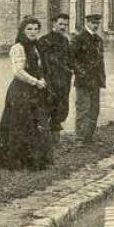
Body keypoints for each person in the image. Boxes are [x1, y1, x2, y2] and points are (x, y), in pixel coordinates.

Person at [0, 17, 54, 171]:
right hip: (21, 91)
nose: (33, 32)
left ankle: (35, 162)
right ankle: (17, 163)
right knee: (20, 124)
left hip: (36, 90)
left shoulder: (37, 46)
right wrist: (36, 82)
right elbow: (18, 71)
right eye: (29, 29)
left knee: (36, 123)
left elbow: (42, 67)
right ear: (22, 31)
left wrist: (43, 79)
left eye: (35, 29)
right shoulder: (18, 47)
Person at [38, 12, 73, 145]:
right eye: (61, 24)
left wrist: (70, 71)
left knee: (61, 107)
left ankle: (55, 138)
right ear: (53, 24)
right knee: (47, 107)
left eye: (66, 24)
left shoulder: (65, 40)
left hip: (63, 81)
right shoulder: (44, 40)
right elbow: (45, 62)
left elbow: (69, 59)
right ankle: (43, 139)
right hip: (50, 80)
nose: (63, 27)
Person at [71, 13, 105, 145]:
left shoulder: (99, 40)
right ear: (87, 23)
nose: (95, 25)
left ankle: (89, 137)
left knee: (94, 110)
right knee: (83, 109)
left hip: (96, 80)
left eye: (97, 23)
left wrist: (102, 78)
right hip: (83, 81)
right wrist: (81, 72)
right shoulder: (79, 39)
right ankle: (79, 138)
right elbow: (71, 58)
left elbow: (100, 61)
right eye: (93, 23)